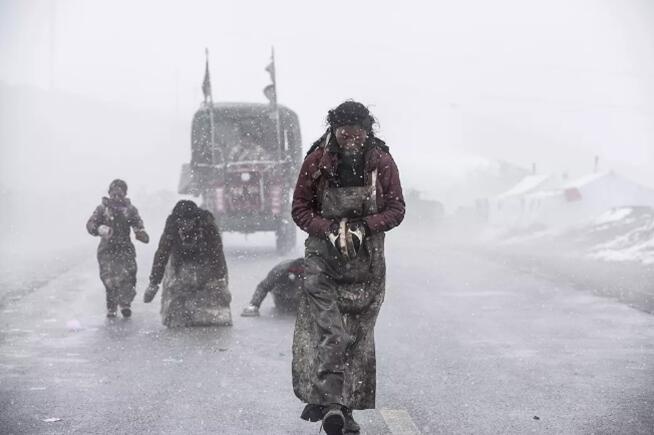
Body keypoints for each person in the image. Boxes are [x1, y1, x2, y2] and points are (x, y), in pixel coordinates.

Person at [291, 101, 405, 434]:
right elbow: (300, 209)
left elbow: (396, 208)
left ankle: (344, 407)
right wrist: (326, 228)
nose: (350, 140)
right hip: (322, 262)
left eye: (356, 134)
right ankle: (330, 405)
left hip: (365, 266)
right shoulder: (316, 162)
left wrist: (365, 226)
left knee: (356, 339)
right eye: (344, 134)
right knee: (331, 333)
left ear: (367, 131)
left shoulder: (381, 163)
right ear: (334, 131)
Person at [143, 200, 232, 327]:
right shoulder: (172, 227)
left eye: (189, 221)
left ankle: (211, 316)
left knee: (212, 291)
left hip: (205, 260)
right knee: (178, 292)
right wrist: (153, 283)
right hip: (180, 262)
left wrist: (220, 279)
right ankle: (178, 317)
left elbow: (216, 253)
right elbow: (162, 254)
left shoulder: (207, 225)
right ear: (177, 221)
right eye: (182, 222)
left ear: (195, 220)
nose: (185, 225)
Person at [86, 179, 149, 318]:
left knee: (129, 275)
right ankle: (112, 306)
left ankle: (125, 303)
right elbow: (90, 224)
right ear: (109, 193)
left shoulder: (130, 210)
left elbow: (138, 224)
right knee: (109, 278)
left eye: (119, 194)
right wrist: (98, 228)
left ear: (124, 194)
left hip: (125, 248)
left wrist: (141, 233)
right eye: (113, 194)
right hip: (107, 249)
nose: (116, 197)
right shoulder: (102, 209)